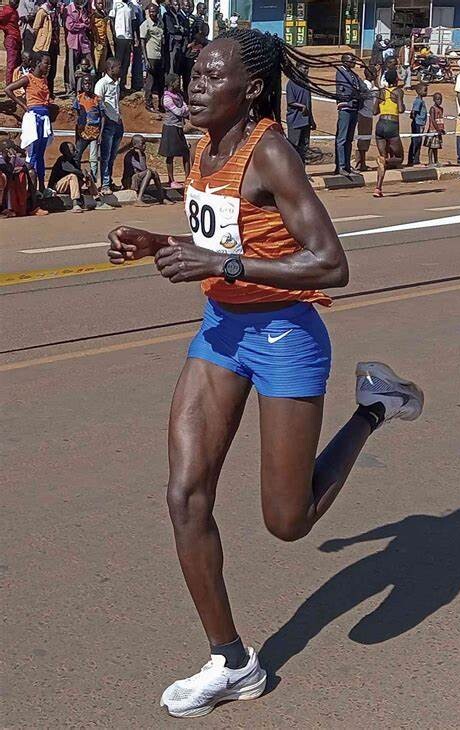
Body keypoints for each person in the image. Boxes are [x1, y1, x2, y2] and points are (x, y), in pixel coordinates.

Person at [107, 28, 423, 719]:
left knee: (288, 520)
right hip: (221, 331)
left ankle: (375, 406)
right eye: (193, 73)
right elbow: (226, 240)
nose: (194, 86)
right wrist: (160, 243)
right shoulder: (204, 147)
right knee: (185, 496)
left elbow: (331, 263)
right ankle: (231, 661)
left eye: (210, 76)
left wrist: (221, 265)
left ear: (249, 89)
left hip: (285, 337)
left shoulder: (271, 152)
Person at [5, 51, 53, 195]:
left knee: (41, 154)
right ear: (38, 63)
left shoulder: (44, 80)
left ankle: (42, 187)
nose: (48, 66)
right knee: (32, 154)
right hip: (33, 118)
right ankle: (30, 189)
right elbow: (8, 89)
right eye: (46, 63)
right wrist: (24, 105)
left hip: (44, 118)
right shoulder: (28, 78)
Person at [373, 68, 405, 197]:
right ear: (396, 79)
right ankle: (386, 161)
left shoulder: (381, 92)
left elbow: (374, 111)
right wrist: (400, 103)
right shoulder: (398, 91)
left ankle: (378, 188)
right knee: (399, 158)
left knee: (382, 156)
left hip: (380, 124)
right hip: (392, 125)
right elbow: (401, 109)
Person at [49, 141, 105, 212]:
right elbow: (74, 171)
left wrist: (86, 177)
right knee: (72, 176)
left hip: (68, 186)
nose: (76, 151)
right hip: (57, 187)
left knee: (87, 175)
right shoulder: (62, 160)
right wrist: (83, 174)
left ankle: (98, 201)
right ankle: (75, 203)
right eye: (73, 149)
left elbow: (80, 173)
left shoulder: (72, 160)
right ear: (67, 152)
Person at [95, 57, 124, 194]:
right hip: (107, 124)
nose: (120, 69)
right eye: (118, 67)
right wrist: (104, 121)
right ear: (110, 69)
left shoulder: (116, 83)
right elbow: (99, 105)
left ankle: (109, 181)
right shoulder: (102, 84)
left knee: (112, 156)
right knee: (105, 156)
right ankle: (105, 184)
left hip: (117, 122)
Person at [158, 71, 190, 188]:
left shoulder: (179, 96)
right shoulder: (166, 98)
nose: (179, 84)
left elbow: (185, 109)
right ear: (171, 83)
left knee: (186, 153)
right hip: (170, 128)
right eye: (177, 82)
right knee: (170, 155)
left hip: (179, 127)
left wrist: (183, 109)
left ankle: (188, 178)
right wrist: (184, 110)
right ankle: (171, 180)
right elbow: (179, 111)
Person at [73, 73, 105, 181]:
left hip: (95, 132)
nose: (87, 86)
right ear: (82, 85)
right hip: (82, 132)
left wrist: (101, 134)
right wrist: (77, 132)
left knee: (93, 158)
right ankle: (77, 177)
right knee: (77, 155)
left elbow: (103, 117)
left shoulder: (97, 99)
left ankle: (93, 180)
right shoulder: (78, 99)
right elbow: (77, 116)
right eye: (85, 83)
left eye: (89, 83)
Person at [334, 53, 363, 176]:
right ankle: (341, 166)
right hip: (345, 107)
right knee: (342, 139)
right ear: (345, 61)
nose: (354, 62)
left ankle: (347, 165)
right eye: (352, 60)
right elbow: (348, 89)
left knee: (349, 139)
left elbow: (361, 86)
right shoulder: (341, 72)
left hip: (354, 108)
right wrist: (357, 93)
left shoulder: (353, 74)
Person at [121, 133, 167, 205]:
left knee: (154, 172)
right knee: (149, 171)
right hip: (129, 182)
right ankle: (139, 199)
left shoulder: (142, 154)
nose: (144, 146)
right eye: (142, 144)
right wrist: (140, 155)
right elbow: (143, 169)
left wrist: (141, 155)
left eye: (145, 143)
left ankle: (162, 197)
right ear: (135, 145)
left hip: (137, 179)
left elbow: (143, 169)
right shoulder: (130, 156)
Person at [285, 62, 315, 165]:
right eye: (304, 68)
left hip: (306, 121)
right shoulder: (292, 83)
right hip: (295, 120)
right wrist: (302, 106)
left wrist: (311, 120)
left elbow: (309, 103)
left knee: (304, 147)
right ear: (298, 68)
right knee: (294, 147)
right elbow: (291, 101)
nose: (307, 71)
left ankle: (302, 169)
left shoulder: (306, 83)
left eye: (308, 68)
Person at [140, 1, 164, 112]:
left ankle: (161, 104)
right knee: (150, 81)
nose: (152, 14)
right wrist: (146, 59)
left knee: (161, 82)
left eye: (154, 12)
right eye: (150, 12)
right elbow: (142, 42)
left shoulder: (160, 23)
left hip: (159, 56)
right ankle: (148, 104)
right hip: (150, 56)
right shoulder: (146, 24)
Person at [32, 0, 60, 96]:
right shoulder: (42, 11)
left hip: (54, 45)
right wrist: (41, 39)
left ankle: (50, 92)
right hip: (44, 46)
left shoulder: (56, 10)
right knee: (43, 70)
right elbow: (35, 28)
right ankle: (40, 92)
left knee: (52, 70)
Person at [65, 0, 92, 97]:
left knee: (86, 65)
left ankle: (82, 88)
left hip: (83, 42)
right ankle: (71, 90)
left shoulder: (83, 10)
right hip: (73, 42)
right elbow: (70, 26)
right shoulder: (68, 9)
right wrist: (82, 25)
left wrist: (83, 22)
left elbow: (87, 23)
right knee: (72, 68)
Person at [109, 0, 136, 95]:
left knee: (126, 62)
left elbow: (132, 20)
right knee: (118, 63)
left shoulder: (131, 4)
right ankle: (114, 85)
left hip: (128, 37)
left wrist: (134, 37)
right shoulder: (116, 2)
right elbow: (111, 19)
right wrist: (114, 34)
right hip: (119, 37)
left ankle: (122, 85)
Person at [354, 66, 377, 172]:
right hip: (364, 114)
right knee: (363, 139)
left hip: (367, 114)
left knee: (365, 139)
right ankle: (360, 163)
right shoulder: (366, 86)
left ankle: (361, 162)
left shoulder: (371, 86)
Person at [0, 0, 21, 86]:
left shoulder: (14, 10)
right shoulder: (7, 11)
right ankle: (9, 86)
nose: (16, 4)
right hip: (11, 39)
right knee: (11, 64)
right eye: (14, 1)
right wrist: (5, 29)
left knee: (17, 63)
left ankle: (15, 84)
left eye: (18, 2)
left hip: (16, 39)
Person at [407, 83, 427, 166]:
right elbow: (413, 112)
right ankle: (412, 160)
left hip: (420, 124)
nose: (426, 92)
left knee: (418, 142)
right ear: (418, 91)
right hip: (417, 124)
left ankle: (416, 159)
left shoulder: (421, 101)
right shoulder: (418, 101)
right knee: (415, 142)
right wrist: (414, 119)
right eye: (425, 90)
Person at [163, 0, 184, 74]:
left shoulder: (180, 16)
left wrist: (179, 28)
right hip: (171, 43)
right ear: (171, 6)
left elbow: (184, 29)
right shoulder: (167, 15)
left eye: (178, 5)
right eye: (175, 5)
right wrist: (179, 28)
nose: (177, 7)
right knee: (171, 63)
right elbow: (171, 29)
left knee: (177, 64)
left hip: (179, 43)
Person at [424, 92, 444, 166]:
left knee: (436, 147)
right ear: (434, 100)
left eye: (440, 99)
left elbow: (440, 120)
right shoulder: (432, 109)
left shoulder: (441, 109)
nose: (439, 101)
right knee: (431, 147)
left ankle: (436, 161)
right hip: (432, 130)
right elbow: (433, 120)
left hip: (438, 130)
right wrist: (437, 129)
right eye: (437, 99)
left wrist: (441, 129)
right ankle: (430, 161)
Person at [90, 0, 110, 75]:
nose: (101, 5)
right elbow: (91, 29)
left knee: (102, 66)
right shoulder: (93, 16)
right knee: (96, 64)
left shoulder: (104, 14)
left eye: (102, 3)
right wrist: (95, 42)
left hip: (104, 43)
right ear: (95, 4)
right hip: (97, 44)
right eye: (99, 3)